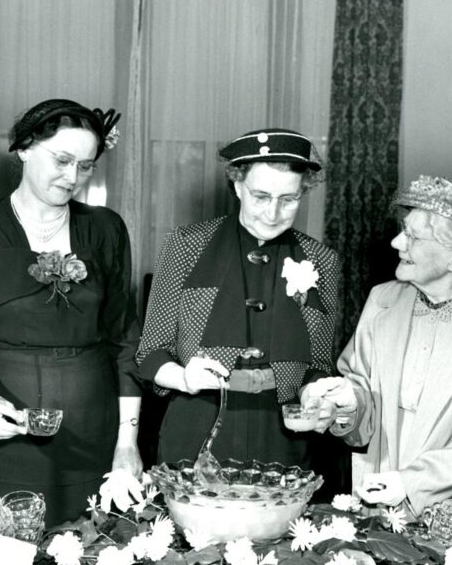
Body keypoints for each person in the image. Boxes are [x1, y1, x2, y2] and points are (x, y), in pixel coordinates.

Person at [0, 98, 141, 526]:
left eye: (85, 166)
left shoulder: (106, 229)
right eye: (63, 160)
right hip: (5, 436)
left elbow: (125, 342)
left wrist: (127, 443)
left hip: (94, 436)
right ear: (24, 147)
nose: (72, 178)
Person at [300, 176, 452, 517]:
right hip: (382, 506)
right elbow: (363, 394)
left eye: (412, 236)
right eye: (402, 230)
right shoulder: (382, 301)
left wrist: (410, 483)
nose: (396, 242)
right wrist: (349, 402)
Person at [136, 128, 339, 470]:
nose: (273, 214)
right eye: (260, 196)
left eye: (288, 199)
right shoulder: (186, 246)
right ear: (237, 185)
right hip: (198, 424)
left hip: (285, 435)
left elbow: (318, 363)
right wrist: (183, 377)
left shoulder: (321, 259)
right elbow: (149, 353)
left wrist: (317, 395)